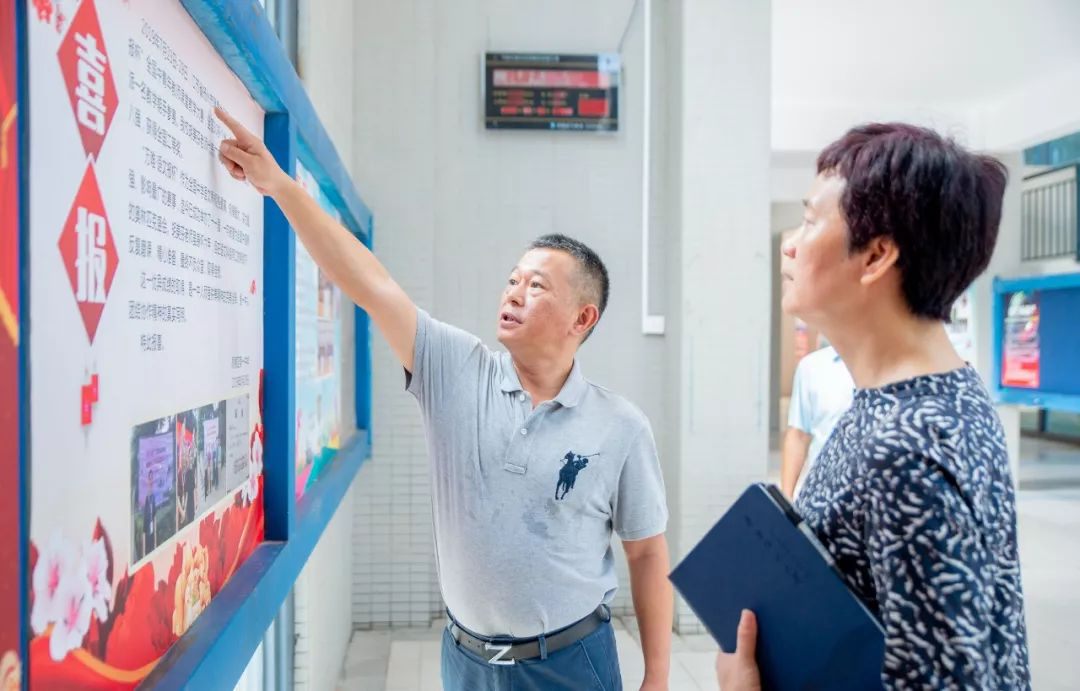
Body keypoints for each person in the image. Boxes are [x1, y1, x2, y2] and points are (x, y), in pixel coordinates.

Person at [216, 108, 672, 691]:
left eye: (536, 286)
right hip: (466, 662)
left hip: (570, 664)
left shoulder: (620, 426)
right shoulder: (457, 370)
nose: (514, 293)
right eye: (513, 280)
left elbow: (646, 555)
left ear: (582, 319)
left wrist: (658, 676)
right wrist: (280, 186)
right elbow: (372, 284)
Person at [717, 124, 1030, 689]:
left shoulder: (903, 450)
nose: (790, 244)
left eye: (811, 220)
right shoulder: (944, 395)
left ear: (877, 255)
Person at [780, 337, 854, 499]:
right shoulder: (811, 367)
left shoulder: (893, 365)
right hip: (821, 495)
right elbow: (798, 435)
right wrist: (785, 498)